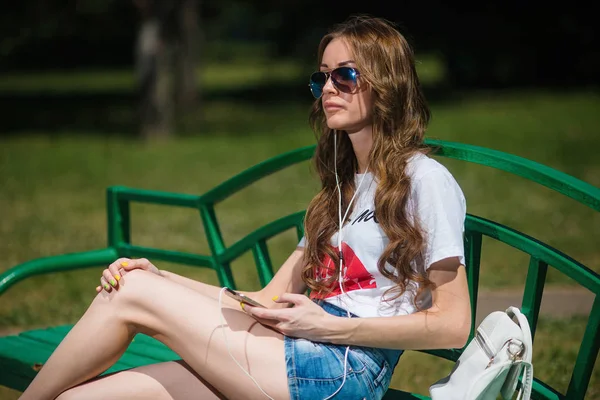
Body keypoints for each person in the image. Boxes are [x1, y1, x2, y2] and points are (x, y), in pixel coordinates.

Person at [19, 15, 471, 400]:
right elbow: (264, 300)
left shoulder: (424, 181)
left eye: (345, 75)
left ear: (386, 83)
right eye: (322, 77)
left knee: (129, 292)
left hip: (343, 371)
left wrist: (329, 328)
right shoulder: (343, 187)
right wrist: (161, 277)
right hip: (289, 351)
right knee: (86, 394)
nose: (328, 88)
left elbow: (453, 324)